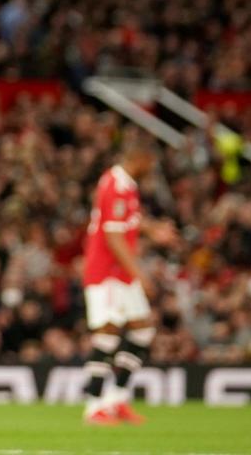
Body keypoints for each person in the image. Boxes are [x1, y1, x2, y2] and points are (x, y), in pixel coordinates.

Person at [81, 137, 177, 425]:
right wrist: (140, 274)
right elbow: (113, 237)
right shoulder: (114, 185)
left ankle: (116, 399)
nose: (153, 167)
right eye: (151, 161)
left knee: (143, 331)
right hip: (106, 272)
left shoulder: (127, 185)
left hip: (120, 273)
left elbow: (129, 221)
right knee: (107, 333)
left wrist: (153, 229)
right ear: (139, 158)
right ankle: (94, 406)